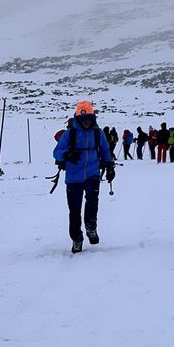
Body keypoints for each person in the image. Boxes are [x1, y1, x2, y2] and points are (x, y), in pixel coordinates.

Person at [53, 101, 115, 253]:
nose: (86, 122)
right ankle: (76, 239)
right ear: (78, 119)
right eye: (83, 119)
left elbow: (105, 150)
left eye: (89, 119)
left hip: (93, 174)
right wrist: (67, 154)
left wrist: (109, 166)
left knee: (92, 202)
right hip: (73, 177)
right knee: (74, 210)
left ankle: (91, 228)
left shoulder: (97, 132)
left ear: (93, 118)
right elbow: (57, 151)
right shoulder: (70, 134)